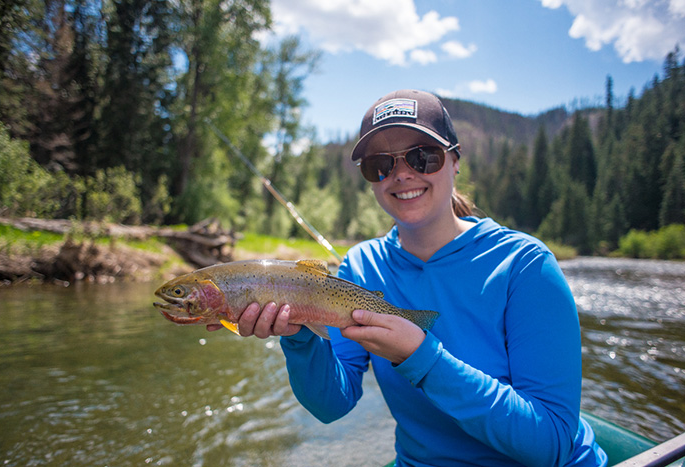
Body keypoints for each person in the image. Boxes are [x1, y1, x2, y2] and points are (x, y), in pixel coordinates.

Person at [208, 89, 608, 466]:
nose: (400, 174)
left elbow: (552, 446)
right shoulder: (361, 266)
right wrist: (298, 337)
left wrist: (422, 358)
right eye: (379, 165)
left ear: (455, 160)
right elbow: (333, 405)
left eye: (422, 157)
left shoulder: (525, 265)